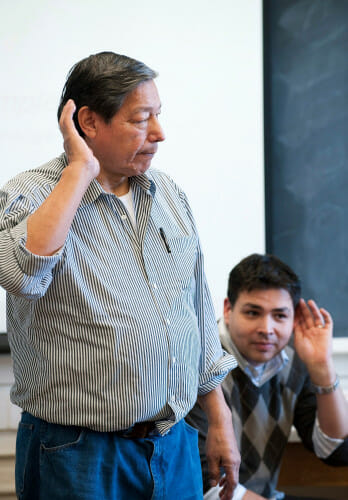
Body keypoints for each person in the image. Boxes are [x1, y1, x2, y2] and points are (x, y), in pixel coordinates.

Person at [0, 51, 240, 500]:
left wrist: (219, 419)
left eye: (158, 116)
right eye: (141, 118)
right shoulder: (28, 194)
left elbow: (198, 310)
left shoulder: (168, 193)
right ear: (88, 121)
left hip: (175, 444)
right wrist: (79, 172)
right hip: (76, 454)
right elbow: (20, 275)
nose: (159, 133)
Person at [186, 253, 348, 500]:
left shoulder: (294, 362)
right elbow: (209, 484)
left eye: (280, 316)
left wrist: (323, 367)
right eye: (253, 313)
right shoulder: (199, 362)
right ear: (228, 310)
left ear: (294, 318)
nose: (266, 329)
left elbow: (336, 452)